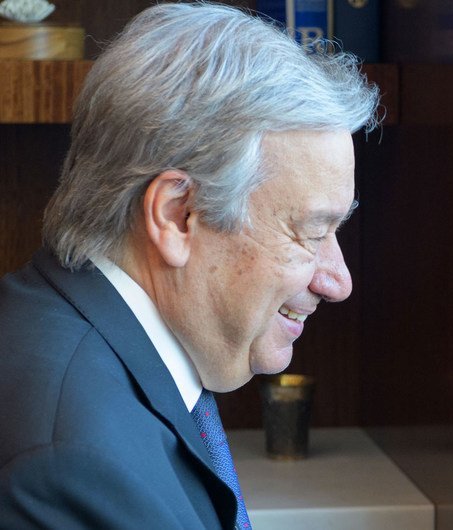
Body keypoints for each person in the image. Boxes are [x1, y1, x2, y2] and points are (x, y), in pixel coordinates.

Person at [0, 3, 380, 528]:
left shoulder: (72, 339)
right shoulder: (69, 467)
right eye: (312, 232)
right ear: (177, 215)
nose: (339, 281)